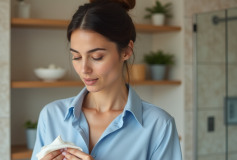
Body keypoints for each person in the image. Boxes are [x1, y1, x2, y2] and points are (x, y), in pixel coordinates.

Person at [30, 0, 182, 159]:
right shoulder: (52, 115)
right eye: (76, 57)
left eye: (97, 57)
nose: (84, 69)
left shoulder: (158, 125)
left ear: (126, 51)